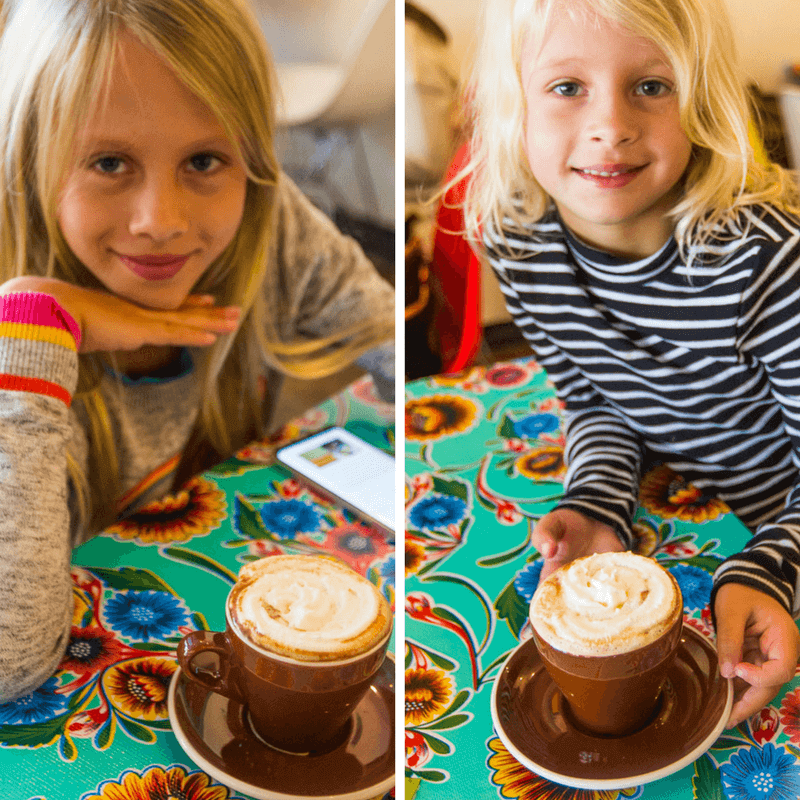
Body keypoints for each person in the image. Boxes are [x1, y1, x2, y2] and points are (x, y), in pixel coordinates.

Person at [0, 0, 394, 702]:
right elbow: (11, 660)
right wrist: (34, 321)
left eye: (205, 160)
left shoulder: (266, 228)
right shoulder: (12, 341)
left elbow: (389, 344)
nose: (163, 222)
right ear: (28, 159)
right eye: (110, 162)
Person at [463, 0, 800, 728]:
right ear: (512, 101)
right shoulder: (518, 242)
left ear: (703, 96)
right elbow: (599, 402)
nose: (609, 126)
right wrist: (595, 504)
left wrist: (770, 572)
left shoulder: (769, 263)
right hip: (681, 521)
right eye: (566, 87)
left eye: (651, 86)